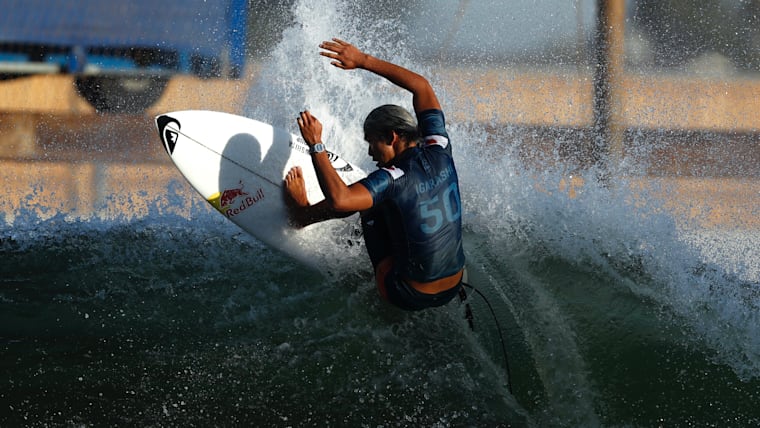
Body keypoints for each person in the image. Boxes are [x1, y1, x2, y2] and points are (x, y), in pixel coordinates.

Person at [284, 38, 465, 311]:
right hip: (454, 285)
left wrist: (316, 145)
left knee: (369, 205)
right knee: (387, 200)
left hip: (408, 293)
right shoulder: (439, 146)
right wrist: (363, 60)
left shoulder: (394, 178)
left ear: (392, 137)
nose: (370, 153)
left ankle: (302, 216)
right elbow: (421, 86)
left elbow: (341, 201)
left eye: (372, 143)